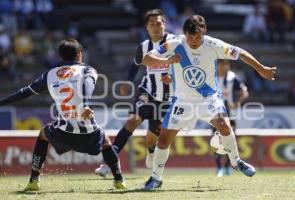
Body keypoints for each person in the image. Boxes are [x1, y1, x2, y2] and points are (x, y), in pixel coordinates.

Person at [141, 15, 277, 190]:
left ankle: (236, 162)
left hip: (208, 97)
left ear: (204, 32)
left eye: (197, 37)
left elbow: (241, 53)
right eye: (190, 37)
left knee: (223, 124)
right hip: (182, 100)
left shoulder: (214, 45)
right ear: (184, 34)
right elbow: (147, 58)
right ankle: (155, 178)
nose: (193, 41)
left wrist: (261, 69)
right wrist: (166, 61)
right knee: (164, 139)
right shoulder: (174, 44)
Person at [0, 39, 126, 191]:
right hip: (88, 133)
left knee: (43, 134)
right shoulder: (88, 70)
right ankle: (119, 180)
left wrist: (2, 102)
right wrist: (86, 104)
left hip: (61, 133)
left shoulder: (50, 74)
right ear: (80, 54)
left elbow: (25, 92)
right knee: (105, 141)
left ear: (60, 56)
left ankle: (34, 180)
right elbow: (87, 84)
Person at [95, 9, 176, 176]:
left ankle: (151, 151)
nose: (155, 27)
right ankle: (109, 163)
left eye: (159, 23)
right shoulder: (144, 46)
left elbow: (184, 66)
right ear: (146, 28)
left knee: (154, 133)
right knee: (132, 121)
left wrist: (173, 78)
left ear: (164, 24)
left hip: (168, 98)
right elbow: (135, 64)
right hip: (147, 92)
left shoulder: (175, 43)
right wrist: (127, 81)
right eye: (151, 24)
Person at [213, 59, 249, 177]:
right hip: (214, 113)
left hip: (230, 113)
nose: (222, 66)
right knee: (216, 140)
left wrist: (237, 103)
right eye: (220, 64)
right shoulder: (211, 76)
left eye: (225, 64)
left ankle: (228, 167)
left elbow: (244, 92)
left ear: (228, 65)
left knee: (230, 139)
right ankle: (219, 168)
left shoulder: (233, 78)